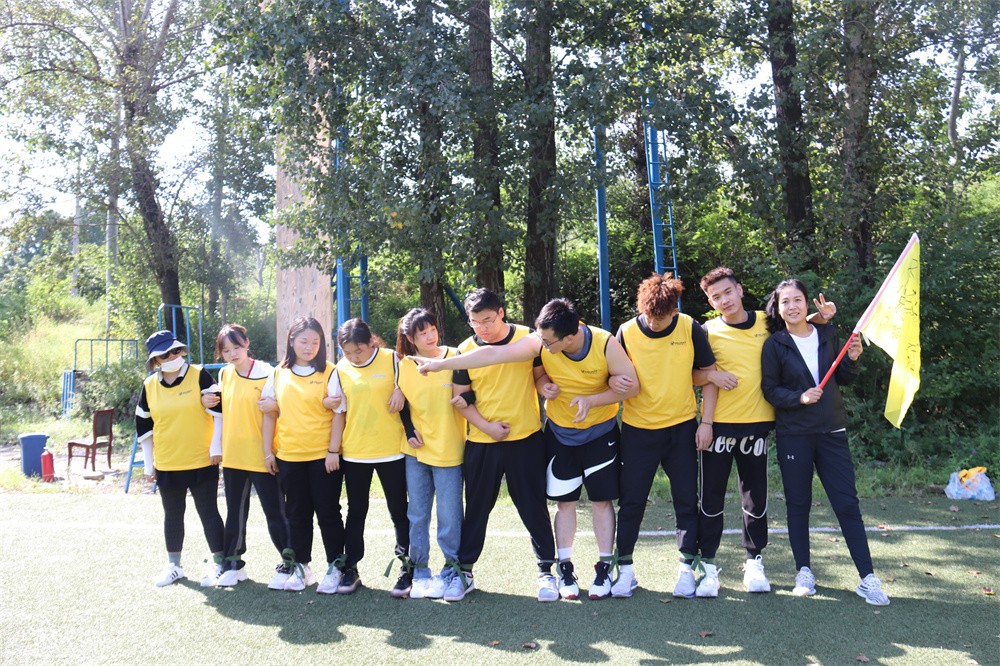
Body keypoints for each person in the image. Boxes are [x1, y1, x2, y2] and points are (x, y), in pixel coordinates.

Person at [417, 298, 639, 601]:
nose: (542, 346)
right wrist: (441, 364)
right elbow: (494, 354)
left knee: (582, 503)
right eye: (475, 321)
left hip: (579, 435)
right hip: (542, 436)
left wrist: (590, 398)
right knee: (546, 504)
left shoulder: (601, 343)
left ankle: (582, 568)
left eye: (547, 342)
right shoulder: (538, 342)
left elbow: (631, 386)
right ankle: (548, 569)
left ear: (568, 337)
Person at [691, 267, 835, 597]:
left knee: (755, 498)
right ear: (710, 303)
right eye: (716, 297)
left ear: (740, 290)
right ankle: (708, 565)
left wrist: (823, 316)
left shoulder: (765, 321)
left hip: (758, 425)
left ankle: (754, 561)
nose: (724, 300)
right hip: (719, 426)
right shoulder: (707, 331)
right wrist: (712, 380)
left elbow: (798, 322)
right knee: (710, 498)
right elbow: (692, 374)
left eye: (728, 292)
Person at [414, 288, 558, 602]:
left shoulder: (528, 338)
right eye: (475, 322)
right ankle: (464, 572)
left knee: (533, 507)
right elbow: (461, 399)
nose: (483, 328)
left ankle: (547, 571)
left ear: (501, 313)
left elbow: (538, 377)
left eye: (488, 320)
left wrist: (545, 387)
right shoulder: (465, 351)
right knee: (477, 509)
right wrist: (487, 427)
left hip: (527, 439)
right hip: (482, 442)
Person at [760, 278, 890, 606]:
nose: (792, 306)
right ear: (778, 309)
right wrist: (799, 398)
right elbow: (770, 390)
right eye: (785, 301)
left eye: (797, 300)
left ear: (807, 303)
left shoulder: (828, 334)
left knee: (847, 504)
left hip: (832, 433)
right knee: (798, 504)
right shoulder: (775, 345)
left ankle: (867, 578)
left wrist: (852, 359)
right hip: (794, 435)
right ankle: (803, 571)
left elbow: (843, 377)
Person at [611, 273, 717, 599]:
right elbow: (610, 376)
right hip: (638, 431)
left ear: (674, 310)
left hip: (681, 429)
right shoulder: (626, 332)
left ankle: (687, 569)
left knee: (686, 500)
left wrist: (706, 422)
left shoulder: (690, 327)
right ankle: (624, 570)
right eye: (648, 315)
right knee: (631, 501)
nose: (654, 322)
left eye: (661, 317)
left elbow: (707, 374)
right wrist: (615, 383)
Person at [203, 324, 293, 589]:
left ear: (247, 344)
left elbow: (277, 411)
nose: (233, 354)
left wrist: (268, 452)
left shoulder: (268, 373)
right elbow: (220, 413)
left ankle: (291, 562)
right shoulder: (225, 374)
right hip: (233, 455)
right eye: (226, 350)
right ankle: (234, 564)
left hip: (263, 455)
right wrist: (216, 446)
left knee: (275, 512)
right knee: (235, 513)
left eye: (237, 347)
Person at [260, 317, 346, 594]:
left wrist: (332, 451)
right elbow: (269, 414)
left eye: (315, 342)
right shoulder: (278, 373)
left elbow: (339, 414)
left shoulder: (330, 371)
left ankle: (335, 566)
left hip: (323, 457)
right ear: (291, 341)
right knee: (297, 513)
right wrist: (268, 453)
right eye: (304, 341)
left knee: (328, 513)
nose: (309, 347)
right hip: (289, 456)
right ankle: (302, 567)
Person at [328, 318, 410, 596]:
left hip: (393, 450)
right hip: (355, 453)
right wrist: (333, 450)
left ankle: (406, 566)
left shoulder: (392, 359)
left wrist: (401, 389)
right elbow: (338, 413)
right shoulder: (340, 369)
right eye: (347, 352)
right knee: (356, 512)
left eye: (359, 350)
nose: (353, 356)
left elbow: (414, 386)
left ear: (372, 342)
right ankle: (351, 567)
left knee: (399, 510)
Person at [136, 329, 225, 588]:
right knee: (173, 515)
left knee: (208, 512)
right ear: (156, 360)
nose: (173, 356)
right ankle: (174, 566)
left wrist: (215, 447)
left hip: (202, 460)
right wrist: (149, 464)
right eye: (165, 354)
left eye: (176, 351)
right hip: (167, 463)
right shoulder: (149, 386)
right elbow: (144, 427)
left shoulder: (199, 374)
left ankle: (220, 563)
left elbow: (220, 410)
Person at [395, 308, 466, 599]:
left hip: (450, 448)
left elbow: (470, 392)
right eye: (422, 333)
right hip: (416, 452)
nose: (430, 336)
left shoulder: (456, 356)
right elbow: (403, 405)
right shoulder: (403, 364)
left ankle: (452, 569)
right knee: (417, 514)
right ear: (411, 338)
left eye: (432, 329)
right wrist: (409, 430)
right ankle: (420, 570)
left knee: (450, 516)